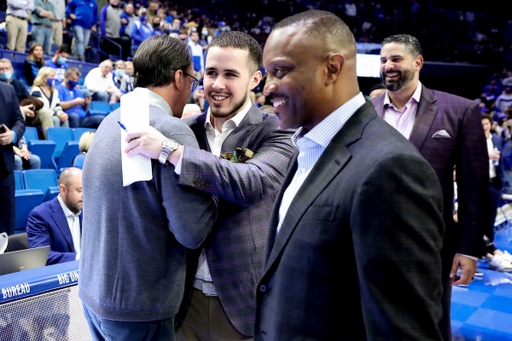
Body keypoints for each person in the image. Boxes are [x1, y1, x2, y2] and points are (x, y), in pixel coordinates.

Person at [252, 10, 445, 340]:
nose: (268, 88)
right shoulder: (307, 146)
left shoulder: (390, 168)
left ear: (332, 69)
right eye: (266, 74)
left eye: (279, 72)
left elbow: (402, 331)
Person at [124, 31, 296, 340]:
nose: (217, 85)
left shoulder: (277, 132)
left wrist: (170, 151)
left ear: (255, 79)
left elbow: (252, 183)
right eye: (211, 73)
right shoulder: (183, 129)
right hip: (181, 302)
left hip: (242, 304)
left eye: (230, 74)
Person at [79, 34, 218, 341]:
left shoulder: (108, 122)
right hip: (140, 308)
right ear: (179, 77)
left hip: (94, 297)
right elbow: (192, 231)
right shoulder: (170, 129)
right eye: (195, 81)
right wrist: (217, 186)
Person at [371, 34, 488, 341]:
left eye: (396, 59)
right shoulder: (364, 111)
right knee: (372, 324)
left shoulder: (460, 110)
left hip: (430, 245)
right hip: (369, 241)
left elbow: (474, 187)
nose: (388, 66)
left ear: (417, 63)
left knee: (430, 327)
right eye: (383, 60)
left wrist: (468, 249)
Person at [26, 167, 83, 265]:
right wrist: (80, 257)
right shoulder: (40, 215)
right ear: (63, 190)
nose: (85, 195)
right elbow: (42, 256)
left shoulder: (90, 211)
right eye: (80, 190)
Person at [481, 114, 512, 271]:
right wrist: (488, 156)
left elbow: (501, 164)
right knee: (477, 218)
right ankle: (485, 252)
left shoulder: (498, 140)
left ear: (490, 124)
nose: (484, 126)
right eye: (482, 124)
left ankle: (491, 248)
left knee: (491, 218)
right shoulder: (473, 141)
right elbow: (469, 159)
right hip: (478, 184)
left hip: (494, 184)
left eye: (486, 123)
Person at [0, 81, 26, 235]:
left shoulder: (8, 89)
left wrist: (13, 134)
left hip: (4, 167)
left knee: (6, 223)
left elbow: (19, 121)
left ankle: (5, 257)